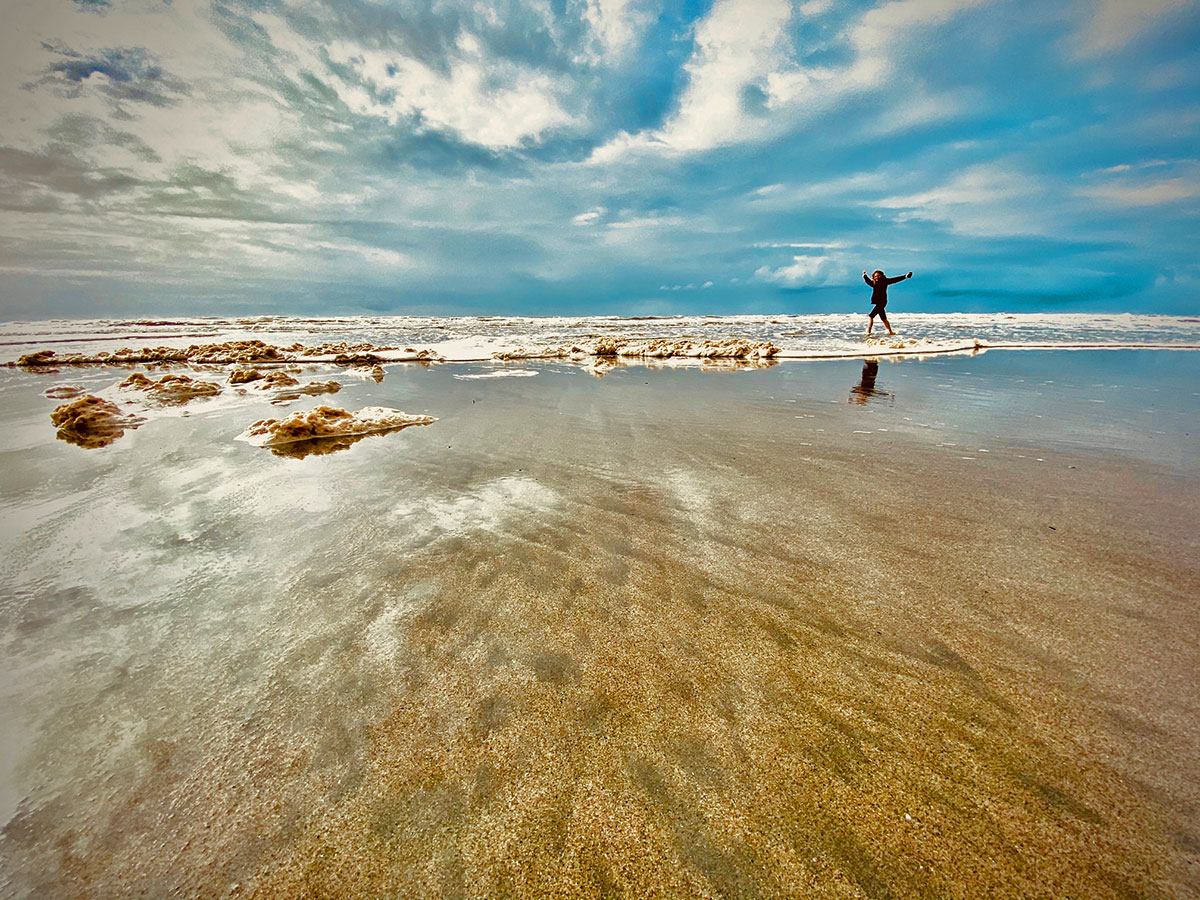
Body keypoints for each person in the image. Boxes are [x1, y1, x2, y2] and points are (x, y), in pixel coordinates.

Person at [862, 268, 913, 336]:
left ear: (882, 276)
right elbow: (868, 281)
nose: (877, 277)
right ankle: (890, 332)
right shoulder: (874, 283)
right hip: (878, 302)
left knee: (871, 316)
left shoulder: (885, 281)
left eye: (878, 276)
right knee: (884, 319)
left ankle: (868, 332)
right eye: (875, 276)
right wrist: (865, 275)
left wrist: (905, 276)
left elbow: (895, 279)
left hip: (882, 302)